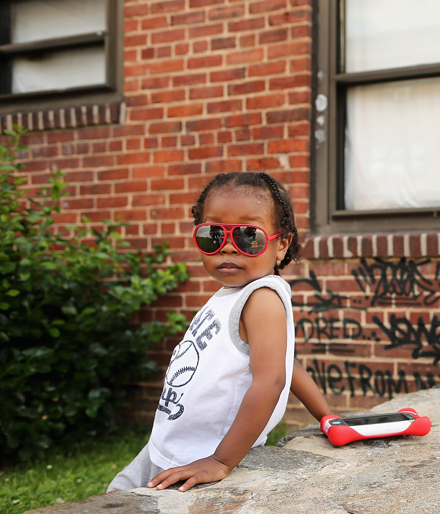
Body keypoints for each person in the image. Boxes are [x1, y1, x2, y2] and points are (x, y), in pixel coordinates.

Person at [108, 172, 332, 493]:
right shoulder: (233, 293)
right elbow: (288, 364)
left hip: (204, 454)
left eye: (247, 235)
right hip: (170, 444)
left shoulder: (262, 298)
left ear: (281, 244)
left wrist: (221, 461)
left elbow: (272, 379)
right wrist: (328, 417)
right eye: (213, 235)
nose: (227, 246)